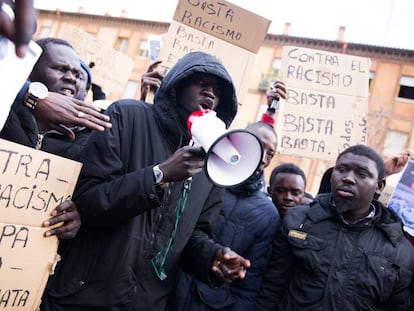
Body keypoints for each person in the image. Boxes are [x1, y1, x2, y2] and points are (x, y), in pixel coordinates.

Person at [40, 51, 250, 311]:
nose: (210, 92)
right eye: (202, 82)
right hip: (83, 298)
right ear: (177, 85)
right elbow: (87, 201)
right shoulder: (127, 117)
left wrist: (212, 257)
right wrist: (159, 175)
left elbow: (194, 235)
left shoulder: (214, 161)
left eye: (218, 90)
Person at [256, 144, 414, 310]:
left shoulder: (399, 249)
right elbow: (271, 289)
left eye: (361, 174)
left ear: (379, 186)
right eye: (342, 169)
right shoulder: (298, 221)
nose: (348, 178)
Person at [171, 120, 281, 311]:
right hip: (167, 292)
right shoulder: (198, 176)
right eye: (259, 145)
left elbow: (249, 285)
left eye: (270, 153)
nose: (263, 158)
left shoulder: (268, 214)